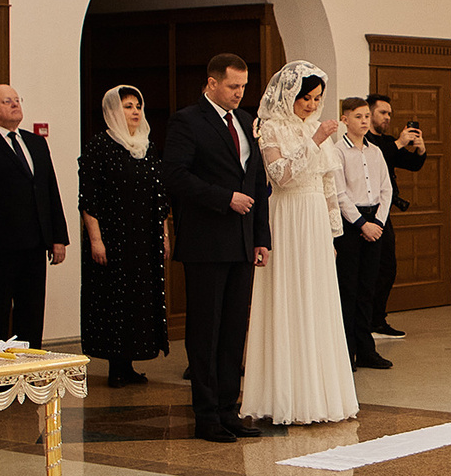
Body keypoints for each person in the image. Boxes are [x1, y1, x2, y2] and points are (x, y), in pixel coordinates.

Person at [242, 64, 359, 425]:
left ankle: (322, 393)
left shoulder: (313, 127)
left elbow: (326, 185)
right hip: (287, 214)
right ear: (289, 96)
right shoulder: (270, 127)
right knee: (288, 296)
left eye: (317, 99)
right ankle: (284, 395)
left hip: (313, 219)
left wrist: (330, 232)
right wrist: (315, 140)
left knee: (317, 299)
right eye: (305, 98)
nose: (310, 105)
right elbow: (280, 175)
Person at [164, 54, 270, 443]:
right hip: (206, 241)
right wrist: (224, 198)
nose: (240, 93)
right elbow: (174, 175)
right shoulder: (187, 120)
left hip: (242, 242)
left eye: (243, 86)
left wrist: (262, 237)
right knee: (206, 332)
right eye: (232, 86)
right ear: (211, 84)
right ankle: (206, 415)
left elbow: (257, 182)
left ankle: (230, 409)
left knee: (233, 331)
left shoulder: (244, 122)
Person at [0, 84, 68, 345]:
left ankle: (28, 371)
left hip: (35, 244)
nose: (15, 104)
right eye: (7, 101)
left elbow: (49, 190)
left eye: (17, 100)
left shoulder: (35, 142)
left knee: (31, 314)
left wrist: (58, 237)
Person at [80, 84, 171, 386]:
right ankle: (115, 365)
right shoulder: (99, 146)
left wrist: (165, 234)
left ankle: (129, 362)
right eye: (128, 106)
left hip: (144, 238)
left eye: (137, 106)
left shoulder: (147, 146)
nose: (134, 111)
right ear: (112, 111)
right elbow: (88, 199)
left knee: (138, 299)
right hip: (112, 237)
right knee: (113, 298)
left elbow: (160, 197)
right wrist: (96, 239)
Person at [330, 97, 394, 371]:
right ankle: (348, 351)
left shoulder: (375, 151)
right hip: (350, 225)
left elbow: (386, 189)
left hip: (374, 222)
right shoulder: (337, 151)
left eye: (367, 115)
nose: (365, 120)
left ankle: (367, 350)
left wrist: (377, 222)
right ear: (345, 119)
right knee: (349, 289)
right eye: (358, 116)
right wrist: (361, 225)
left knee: (368, 288)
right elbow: (339, 193)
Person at [362, 92, 427, 338]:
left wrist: (420, 150)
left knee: (387, 268)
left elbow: (411, 164)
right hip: (366, 214)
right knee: (374, 269)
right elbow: (379, 157)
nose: (388, 117)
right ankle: (368, 321)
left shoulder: (388, 141)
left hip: (384, 212)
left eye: (390, 113)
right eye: (383, 113)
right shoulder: (366, 141)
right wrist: (399, 143)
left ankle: (377, 319)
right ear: (369, 115)